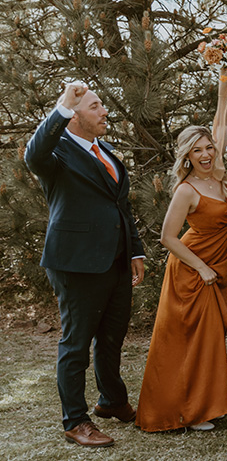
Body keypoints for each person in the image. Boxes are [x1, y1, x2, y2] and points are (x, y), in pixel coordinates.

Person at [25, 81, 145, 447]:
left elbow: (121, 206)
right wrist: (63, 103)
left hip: (117, 260)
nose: (104, 111)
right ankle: (75, 421)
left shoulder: (104, 149)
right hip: (76, 262)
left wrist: (135, 250)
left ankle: (111, 401)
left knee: (112, 338)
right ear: (74, 116)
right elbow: (32, 154)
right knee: (76, 343)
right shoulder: (56, 153)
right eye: (95, 106)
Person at [136, 67, 227, 432]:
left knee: (210, 340)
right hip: (193, 269)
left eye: (209, 147)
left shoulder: (218, 173)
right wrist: (202, 268)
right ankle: (187, 411)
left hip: (218, 264)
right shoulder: (186, 189)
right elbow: (167, 237)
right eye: (198, 151)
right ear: (188, 157)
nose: (207, 153)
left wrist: (224, 89)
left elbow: (222, 126)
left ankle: (204, 406)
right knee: (191, 340)